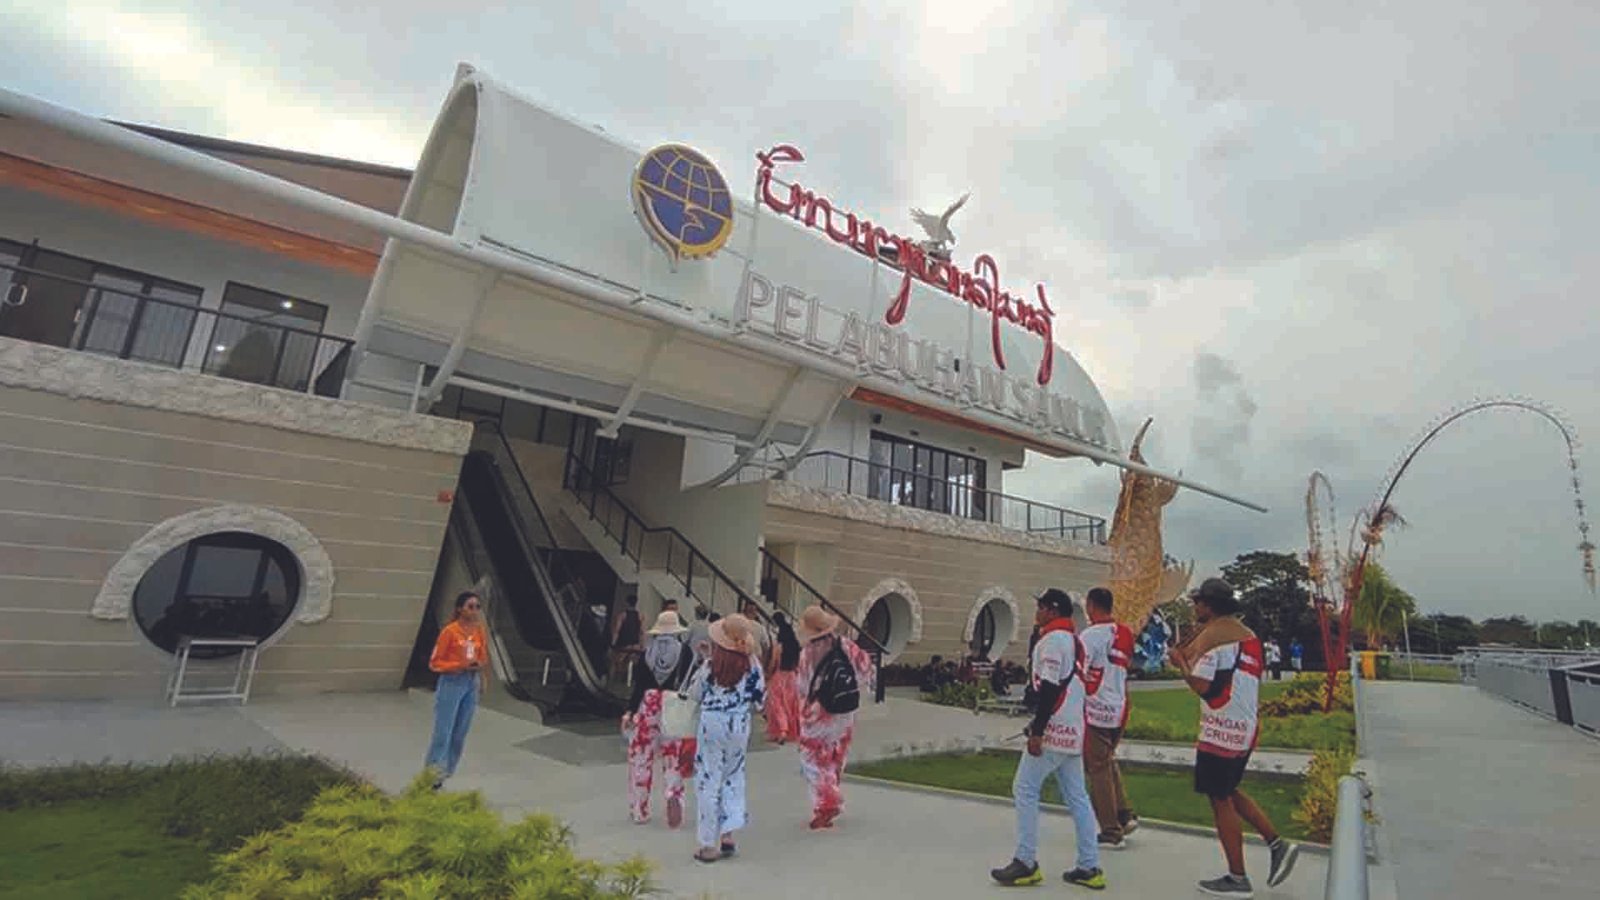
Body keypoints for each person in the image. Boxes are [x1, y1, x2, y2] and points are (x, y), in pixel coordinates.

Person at [1170, 578, 1300, 897]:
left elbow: (1202, 685)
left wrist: (1180, 663)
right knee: (1227, 790)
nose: (1195, 607)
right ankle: (1276, 843)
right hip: (1244, 726)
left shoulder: (1215, 637)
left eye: (1198, 602)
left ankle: (1238, 876)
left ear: (1208, 605)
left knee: (1219, 798)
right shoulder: (1246, 634)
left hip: (1221, 728)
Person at [990, 589, 1106, 890]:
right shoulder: (1073, 640)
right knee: (1077, 797)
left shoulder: (1053, 641)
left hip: (1055, 730)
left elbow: (1051, 688)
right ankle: (1089, 866)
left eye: (1041, 606)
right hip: (1073, 728)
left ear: (1052, 610)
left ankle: (1025, 861)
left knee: (1025, 788)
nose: (1037, 611)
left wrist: (1038, 730)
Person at [688, 614, 765, 863]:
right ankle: (728, 834)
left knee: (709, 779)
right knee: (734, 775)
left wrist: (704, 659)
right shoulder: (752, 667)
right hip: (739, 723)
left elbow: (695, 693)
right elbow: (760, 700)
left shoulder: (711, 666)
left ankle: (707, 843)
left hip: (712, 722)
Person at [794, 604, 876, 830]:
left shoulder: (807, 654)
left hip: (819, 712)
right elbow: (866, 670)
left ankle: (827, 801)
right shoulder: (846, 645)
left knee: (813, 758)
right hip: (845, 709)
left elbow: (802, 687)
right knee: (837, 753)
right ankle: (831, 791)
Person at [622, 610, 696, 828]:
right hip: (673, 706)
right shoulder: (685, 653)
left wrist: (630, 711)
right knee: (673, 757)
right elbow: (690, 684)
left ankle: (639, 808)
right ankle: (673, 794)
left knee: (642, 758)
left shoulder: (647, 652)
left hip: (648, 704)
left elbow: (638, 687)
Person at [1080, 586, 1140, 850]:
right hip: (1118, 705)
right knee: (1106, 760)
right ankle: (1124, 814)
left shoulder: (1089, 636)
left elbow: (1081, 671)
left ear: (1091, 606)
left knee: (1097, 768)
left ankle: (1110, 830)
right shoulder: (1124, 633)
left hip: (1095, 707)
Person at [424, 592, 488, 790]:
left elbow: (482, 655)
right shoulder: (450, 632)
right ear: (460, 609)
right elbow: (435, 662)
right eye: (470, 606)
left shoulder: (478, 631)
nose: (475, 611)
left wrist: (480, 673)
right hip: (452, 682)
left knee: (460, 733)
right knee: (443, 731)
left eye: (477, 607)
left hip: (471, 682)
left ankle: (445, 772)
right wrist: (457, 665)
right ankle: (431, 775)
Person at [764, 610, 802, 744]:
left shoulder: (779, 645)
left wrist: (768, 673)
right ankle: (789, 729)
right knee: (790, 704)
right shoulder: (795, 645)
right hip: (792, 676)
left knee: (776, 704)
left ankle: (781, 730)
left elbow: (774, 661)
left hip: (779, 676)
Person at [610, 594, 644, 684]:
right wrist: (641, 644)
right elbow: (641, 632)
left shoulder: (622, 615)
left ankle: (615, 680)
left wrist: (613, 643)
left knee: (617, 662)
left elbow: (617, 630)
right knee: (631, 663)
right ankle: (628, 681)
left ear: (627, 603)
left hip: (624, 643)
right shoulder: (640, 616)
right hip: (635, 644)